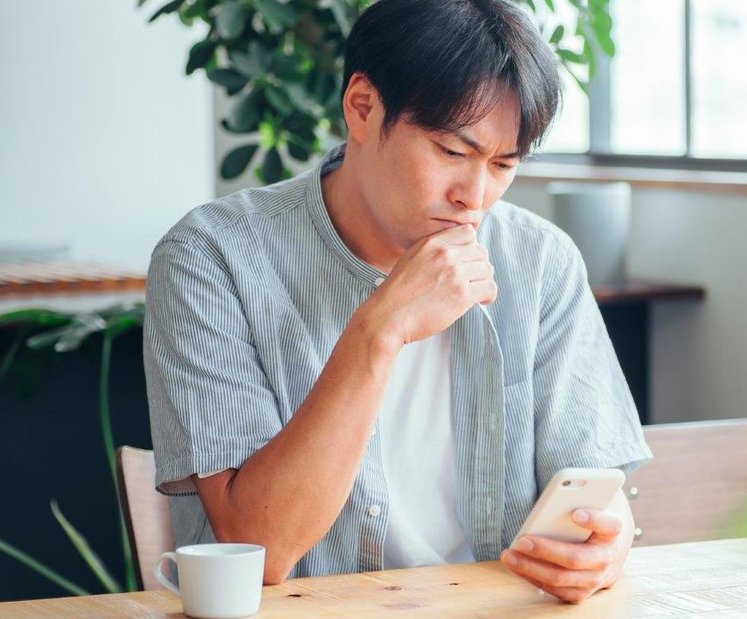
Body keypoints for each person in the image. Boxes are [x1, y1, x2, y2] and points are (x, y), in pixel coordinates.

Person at [144, 0, 651, 604]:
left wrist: (606, 543)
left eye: (504, 164)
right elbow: (261, 545)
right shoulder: (212, 256)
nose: (475, 196)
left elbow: (594, 481)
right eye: (453, 153)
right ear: (362, 107)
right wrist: (380, 331)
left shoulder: (539, 260)